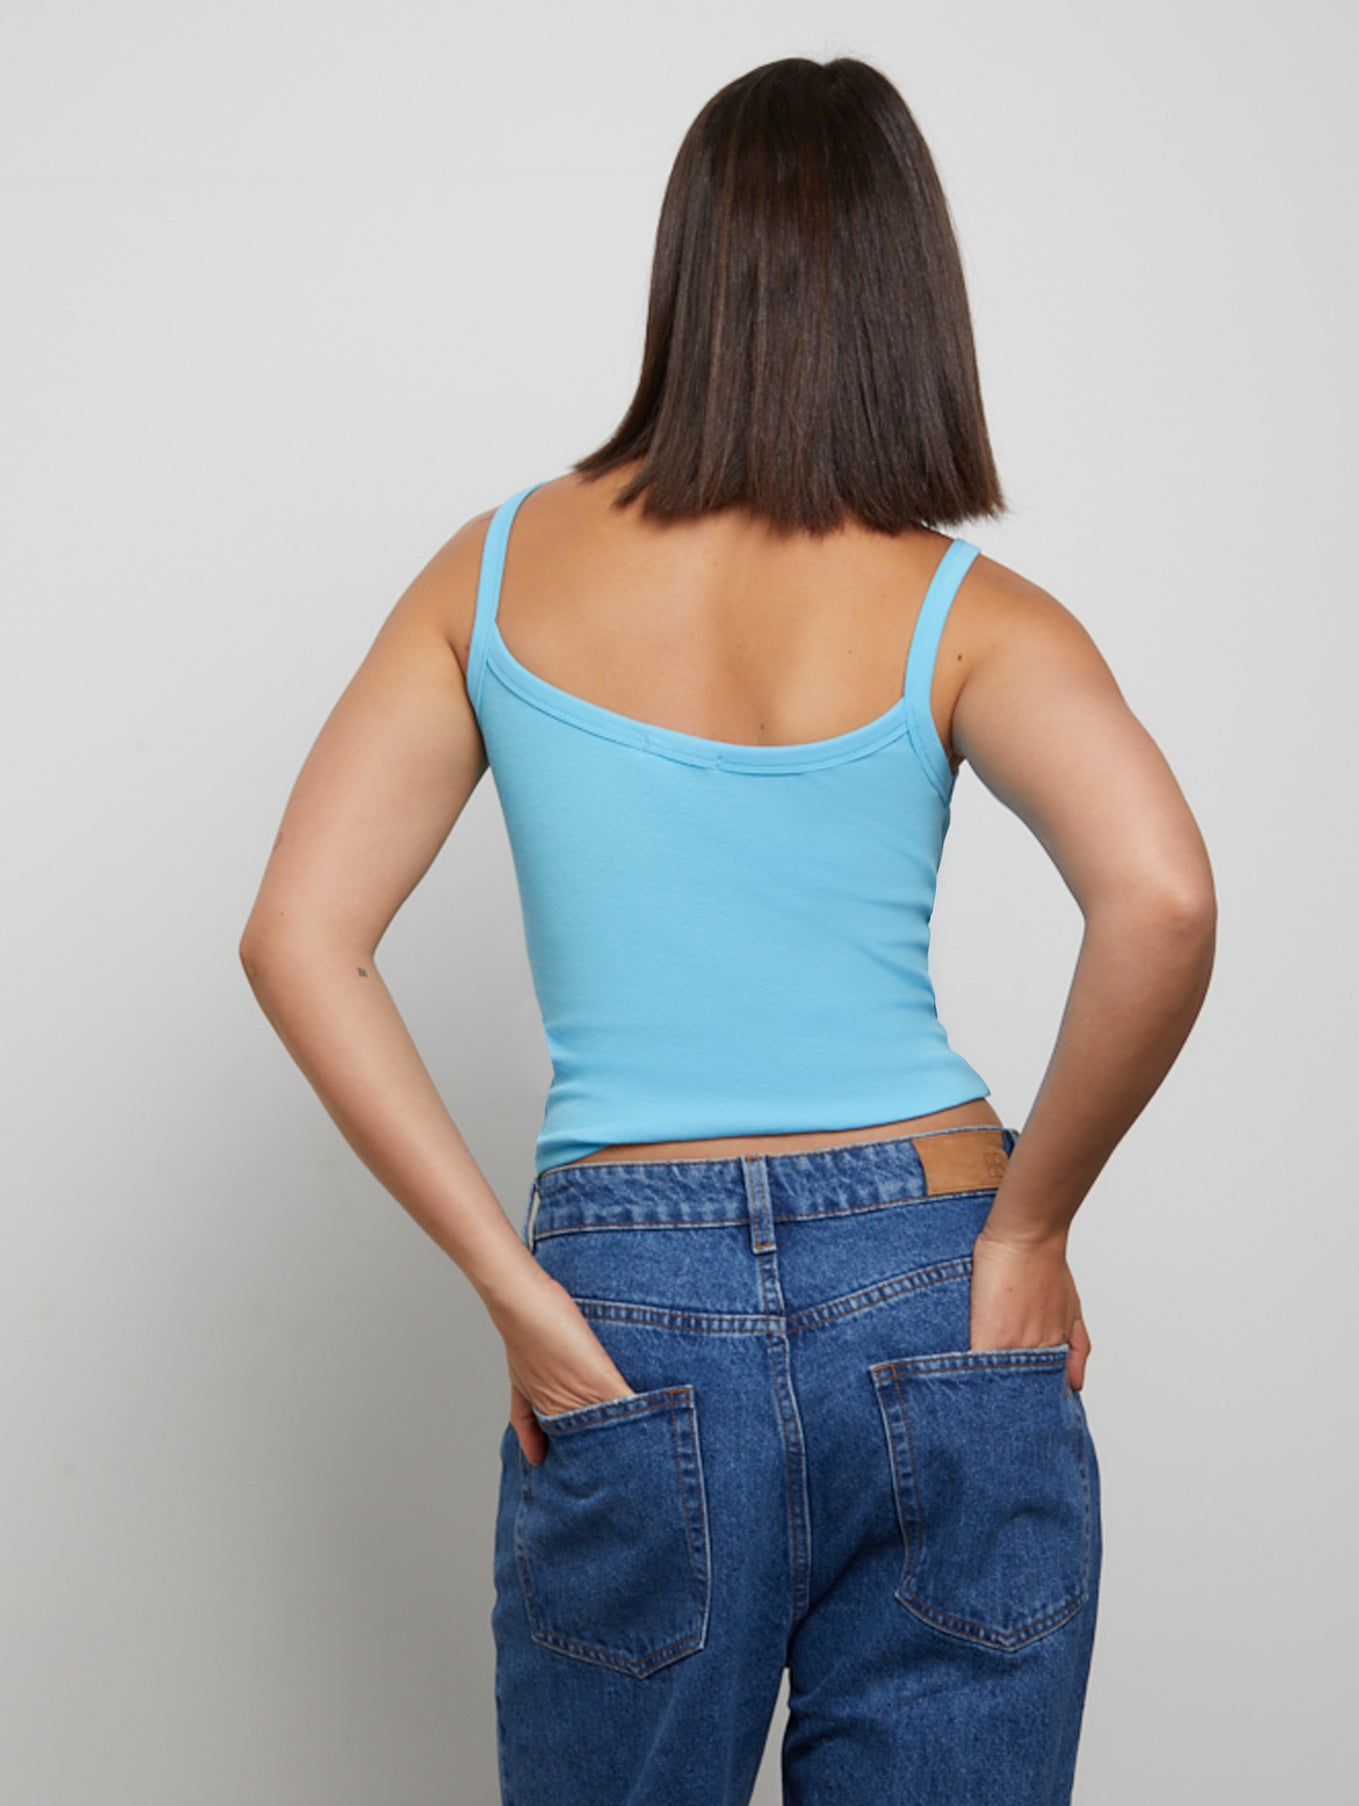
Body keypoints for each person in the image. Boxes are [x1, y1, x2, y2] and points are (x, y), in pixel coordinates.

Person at [240, 54, 1215, 1806]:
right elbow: (1160, 897)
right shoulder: (966, 610)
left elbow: (298, 935)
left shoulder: (492, 569)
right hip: (932, 1272)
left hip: (625, 1299)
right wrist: (1036, 1223)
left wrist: (511, 1287)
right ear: (914, 295)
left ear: (688, 271)